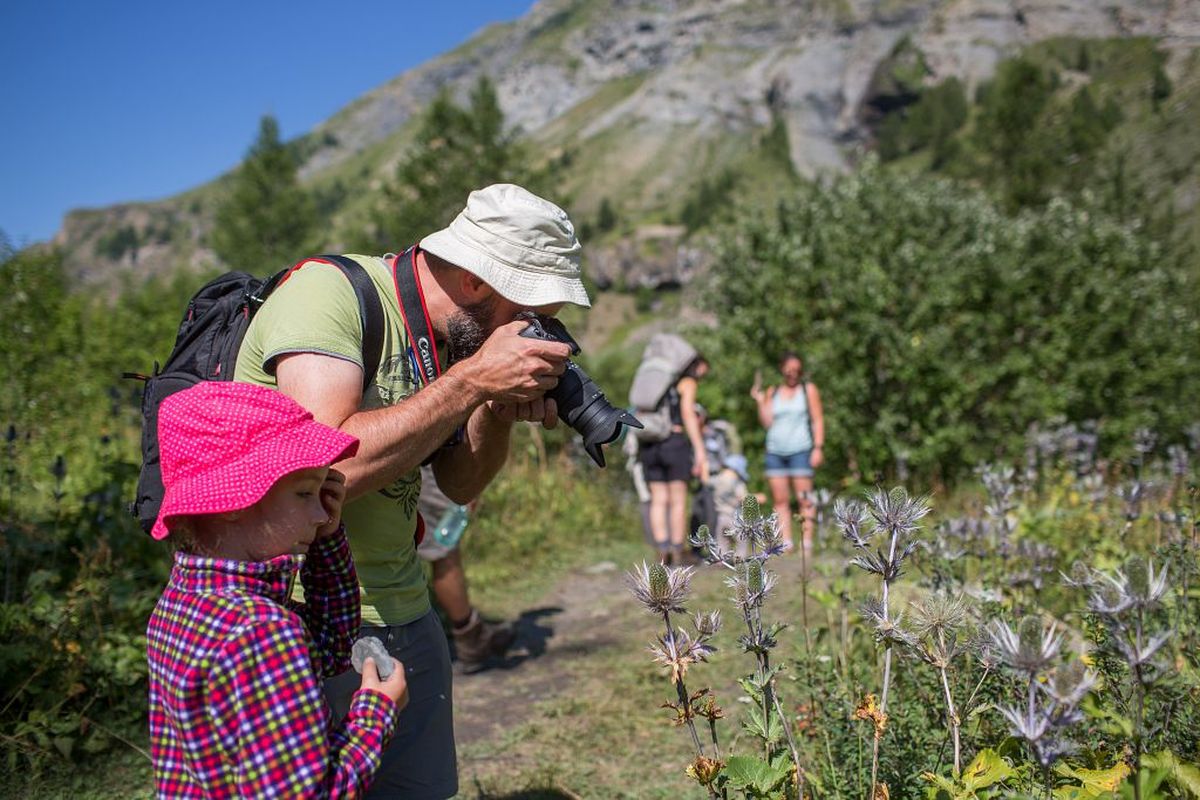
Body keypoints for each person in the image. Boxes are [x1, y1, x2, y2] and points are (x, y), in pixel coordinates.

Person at [234, 183, 589, 798]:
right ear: (480, 281)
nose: (538, 331)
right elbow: (313, 470)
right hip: (301, 621)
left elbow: (458, 483)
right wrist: (472, 380)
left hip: (407, 613)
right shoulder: (331, 296)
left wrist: (494, 403)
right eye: (531, 314)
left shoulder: (453, 340)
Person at [145, 381, 409, 798]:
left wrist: (327, 539)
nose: (322, 511)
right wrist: (377, 713)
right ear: (232, 502)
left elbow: (329, 645)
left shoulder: (182, 602)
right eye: (305, 492)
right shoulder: (262, 631)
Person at [416, 464, 516, 673]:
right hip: (429, 461)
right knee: (443, 551)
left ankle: (467, 630)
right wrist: (466, 483)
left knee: (439, 547)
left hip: (418, 459)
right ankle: (470, 638)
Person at [638, 352, 709, 565]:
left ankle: (662, 550)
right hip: (674, 442)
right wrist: (699, 449)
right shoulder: (686, 383)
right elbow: (688, 414)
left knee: (658, 499)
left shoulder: (657, 381)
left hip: (650, 444)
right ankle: (677, 551)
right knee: (678, 500)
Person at [751, 352, 825, 553]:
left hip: (801, 450)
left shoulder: (807, 390)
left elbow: (817, 419)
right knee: (780, 501)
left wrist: (818, 447)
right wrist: (759, 401)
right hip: (775, 452)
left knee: (805, 499)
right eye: (789, 369)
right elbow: (767, 422)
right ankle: (786, 543)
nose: (793, 373)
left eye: (797, 370)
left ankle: (806, 543)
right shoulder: (772, 392)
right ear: (782, 369)